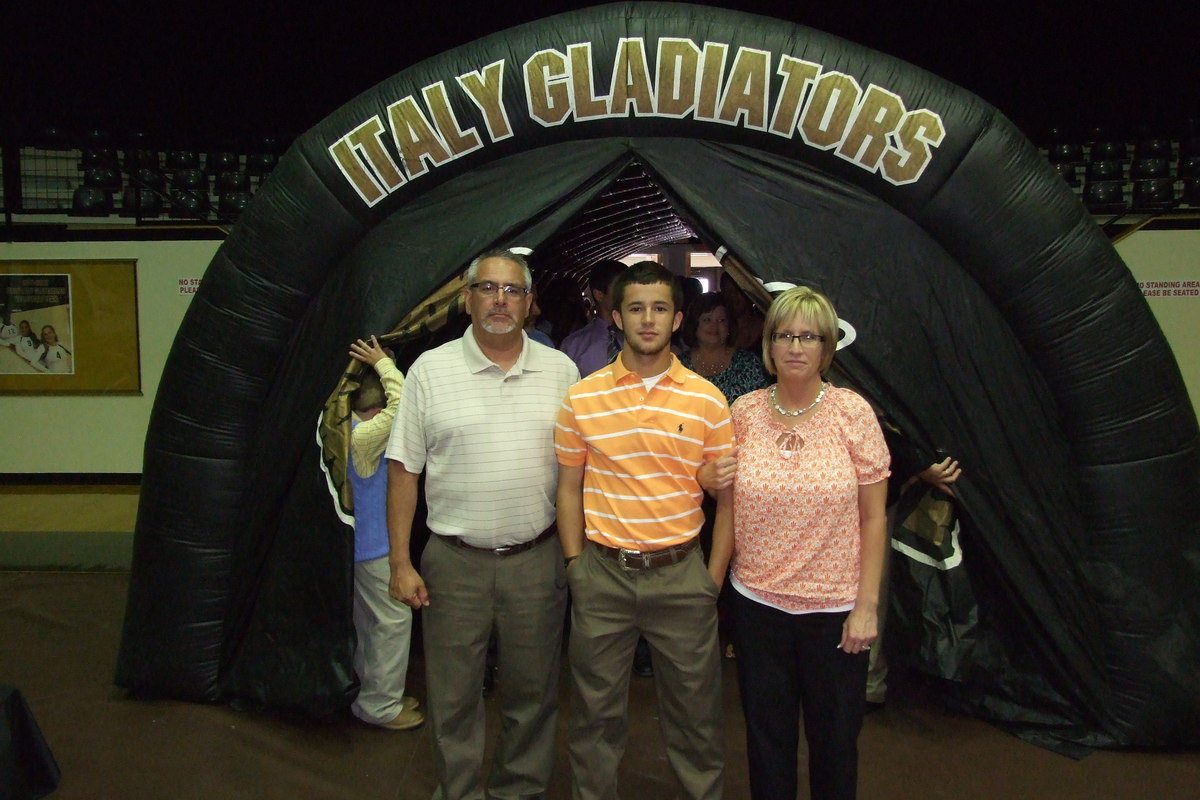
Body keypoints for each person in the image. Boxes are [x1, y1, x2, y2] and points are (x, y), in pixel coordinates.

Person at [385, 249, 579, 800]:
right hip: (453, 565)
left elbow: (580, 471)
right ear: (466, 299)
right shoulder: (430, 370)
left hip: (537, 563)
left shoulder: (561, 371)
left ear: (529, 303)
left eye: (513, 290)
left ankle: (518, 790)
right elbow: (404, 470)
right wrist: (400, 562)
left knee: (534, 696)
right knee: (452, 700)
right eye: (488, 289)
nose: (500, 300)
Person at [555, 261, 734, 800]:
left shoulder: (708, 400)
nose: (648, 319)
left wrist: (712, 579)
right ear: (616, 316)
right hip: (603, 577)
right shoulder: (582, 398)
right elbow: (568, 489)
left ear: (678, 318)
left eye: (659, 308)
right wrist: (575, 567)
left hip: (682, 578)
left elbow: (729, 501)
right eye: (636, 308)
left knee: (697, 722)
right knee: (593, 721)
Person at [724, 286, 890, 800]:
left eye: (809, 336)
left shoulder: (851, 413)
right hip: (757, 606)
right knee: (767, 742)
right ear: (769, 345)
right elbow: (726, 502)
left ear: (827, 347)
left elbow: (874, 517)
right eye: (784, 335)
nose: (796, 346)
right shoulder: (744, 412)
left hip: (834, 613)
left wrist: (866, 607)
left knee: (835, 743)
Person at [345, 335, 425, 731]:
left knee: (371, 627)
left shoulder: (342, 428)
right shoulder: (362, 437)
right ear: (372, 408)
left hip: (363, 548)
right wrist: (384, 364)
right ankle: (380, 706)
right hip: (376, 550)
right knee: (393, 624)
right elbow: (402, 404)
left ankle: (375, 692)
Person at [680, 292, 770, 405]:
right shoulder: (679, 365)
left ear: (729, 326)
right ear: (694, 325)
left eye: (721, 320)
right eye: (707, 320)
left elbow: (762, 407)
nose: (714, 326)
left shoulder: (748, 363)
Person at [559, 259, 627, 376]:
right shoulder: (573, 345)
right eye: (620, 289)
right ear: (599, 295)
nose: (628, 295)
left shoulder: (642, 339)